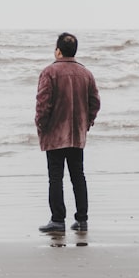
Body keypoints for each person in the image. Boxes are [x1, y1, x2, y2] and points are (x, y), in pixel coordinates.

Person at [35, 32, 101, 233]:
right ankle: (82, 219)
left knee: (55, 177)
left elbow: (43, 104)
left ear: (58, 50)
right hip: (77, 133)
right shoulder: (86, 73)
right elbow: (95, 103)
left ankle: (57, 220)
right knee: (78, 176)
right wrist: (86, 122)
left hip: (55, 134)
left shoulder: (50, 72)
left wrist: (41, 126)